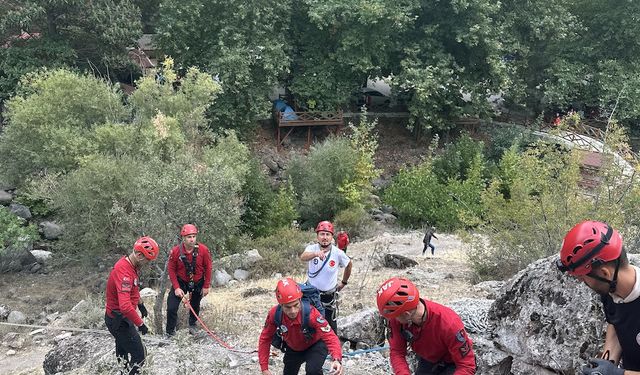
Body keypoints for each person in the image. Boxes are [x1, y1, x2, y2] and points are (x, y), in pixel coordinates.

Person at [557, 221, 640, 375]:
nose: (582, 282)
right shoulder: (611, 290)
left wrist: (617, 374)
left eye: (582, 278)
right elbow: (616, 322)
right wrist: (606, 365)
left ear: (604, 273)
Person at [377, 277, 476, 375]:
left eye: (394, 316)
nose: (392, 320)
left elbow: (466, 366)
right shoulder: (397, 319)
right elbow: (397, 352)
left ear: (407, 314)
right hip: (429, 359)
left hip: (453, 362)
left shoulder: (449, 323)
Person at [258, 277, 343, 375]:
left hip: (315, 344)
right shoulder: (274, 314)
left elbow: (330, 336)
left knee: (313, 371)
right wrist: (264, 368)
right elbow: (265, 338)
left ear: (300, 300)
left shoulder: (311, 314)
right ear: (281, 305)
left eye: (296, 305)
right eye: (288, 307)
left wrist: (336, 359)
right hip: (294, 347)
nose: (293, 311)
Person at [105, 236, 159, 375]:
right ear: (139, 255)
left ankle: (123, 372)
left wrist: (140, 304)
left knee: (122, 351)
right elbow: (125, 306)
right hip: (119, 320)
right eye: (147, 259)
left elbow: (133, 290)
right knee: (140, 356)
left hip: (119, 318)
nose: (148, 263)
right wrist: (141, 324)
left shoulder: (131, 265)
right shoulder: (124, 272)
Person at [300, 220, 352, 332]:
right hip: (311, 293)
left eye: (327, 234)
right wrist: (315, 254)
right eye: (322, 234)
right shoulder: (312, 249)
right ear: (317, 236)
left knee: (330, 325)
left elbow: (348, 264)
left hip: (328, 296)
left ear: (332, 237)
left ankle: (332, 348)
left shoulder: (337, 253)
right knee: (309, 322)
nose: (324, 237)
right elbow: (303, 257)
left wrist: (344, 282)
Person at [166, 224, 212, 336]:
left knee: (195, 305)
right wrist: (176, 287)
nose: (192, 239)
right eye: (189, 237)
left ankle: (192, 326)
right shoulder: (176, 251)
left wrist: (206, 286)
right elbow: (171, 269)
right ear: (183, 238)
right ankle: (170, 332)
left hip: (198, 281)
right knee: (171, 306)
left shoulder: (203, 250)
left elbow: (208, 267)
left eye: (193, 236)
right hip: (181, 281)